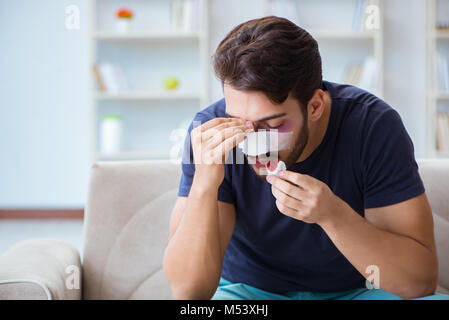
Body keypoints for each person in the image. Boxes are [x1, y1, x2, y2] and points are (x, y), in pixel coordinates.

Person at [162, 16, 449, 300]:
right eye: (238, 122)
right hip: (247, 294)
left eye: (271, 126)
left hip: (359, 291)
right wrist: (204, 184)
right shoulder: (210, 133)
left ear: (315, 106)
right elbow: (189, 294)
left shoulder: (372, 126)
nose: (251, 143)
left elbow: (417, 284)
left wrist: (334, 216)